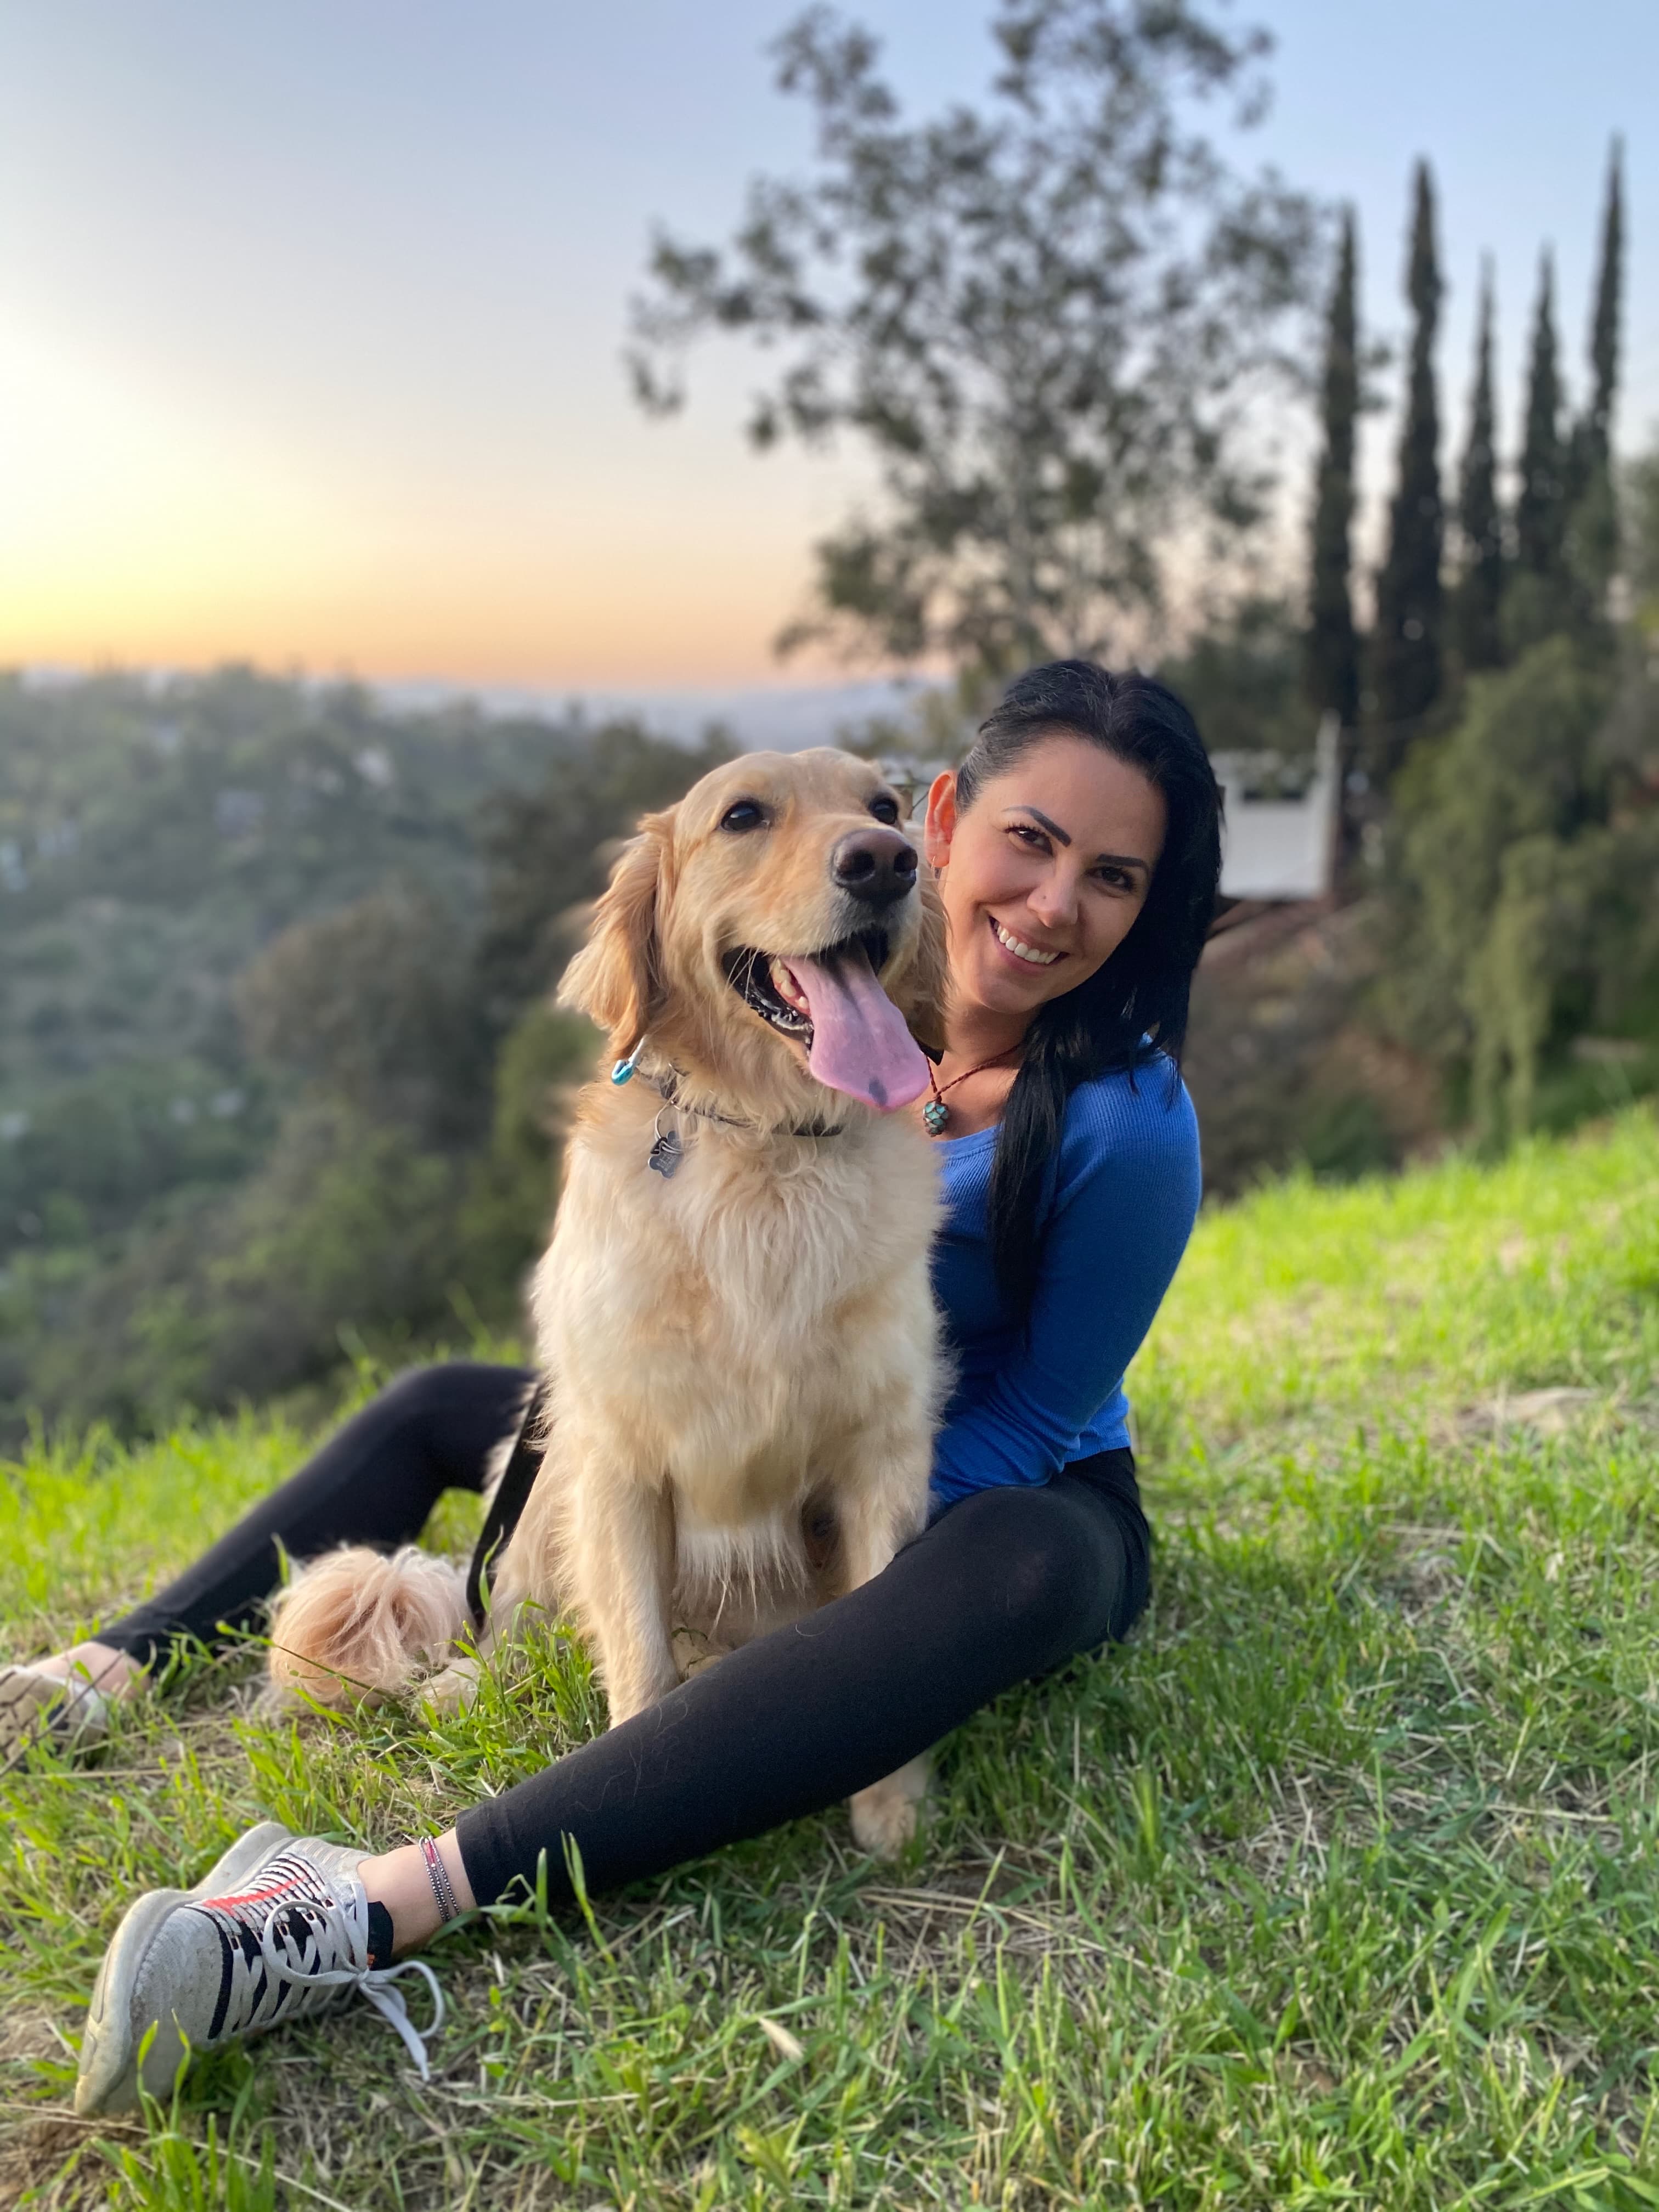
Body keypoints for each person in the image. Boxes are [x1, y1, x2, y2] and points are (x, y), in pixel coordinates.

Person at [9, 660, 1221, 2115]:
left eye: (1112, 876)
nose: (1052, 903)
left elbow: (1027, 1419)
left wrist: (762, 1568)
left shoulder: (1128, 1121)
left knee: (1011, 1568)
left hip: (1004, 1497)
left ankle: (364, 1907)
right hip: (767, 1450)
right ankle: (105, 1668)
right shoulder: (775, 1025)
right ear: (948, 825)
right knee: (450, 1399)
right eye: (1031, 841)